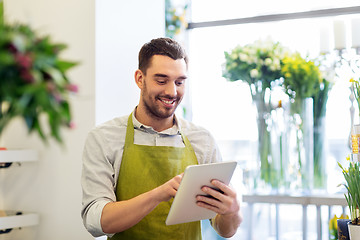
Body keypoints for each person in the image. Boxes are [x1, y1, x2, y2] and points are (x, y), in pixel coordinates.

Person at [81, 37, 242, 239]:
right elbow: (96, 222)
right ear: (140, 79)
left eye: (180, 82)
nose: (172, 91)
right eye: (161, 80)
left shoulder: (202, 139)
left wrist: (232, 210)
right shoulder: (103, 138)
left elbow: (225, 229)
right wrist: (159, 194)